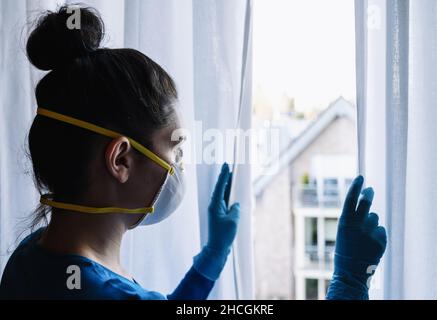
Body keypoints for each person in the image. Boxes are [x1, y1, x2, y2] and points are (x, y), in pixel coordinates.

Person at [0, 5, 387, 300]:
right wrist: (349, 281)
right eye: (176, 146)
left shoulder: (31, 257)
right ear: (120, 160)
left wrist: (212, 256)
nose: (179, 165)